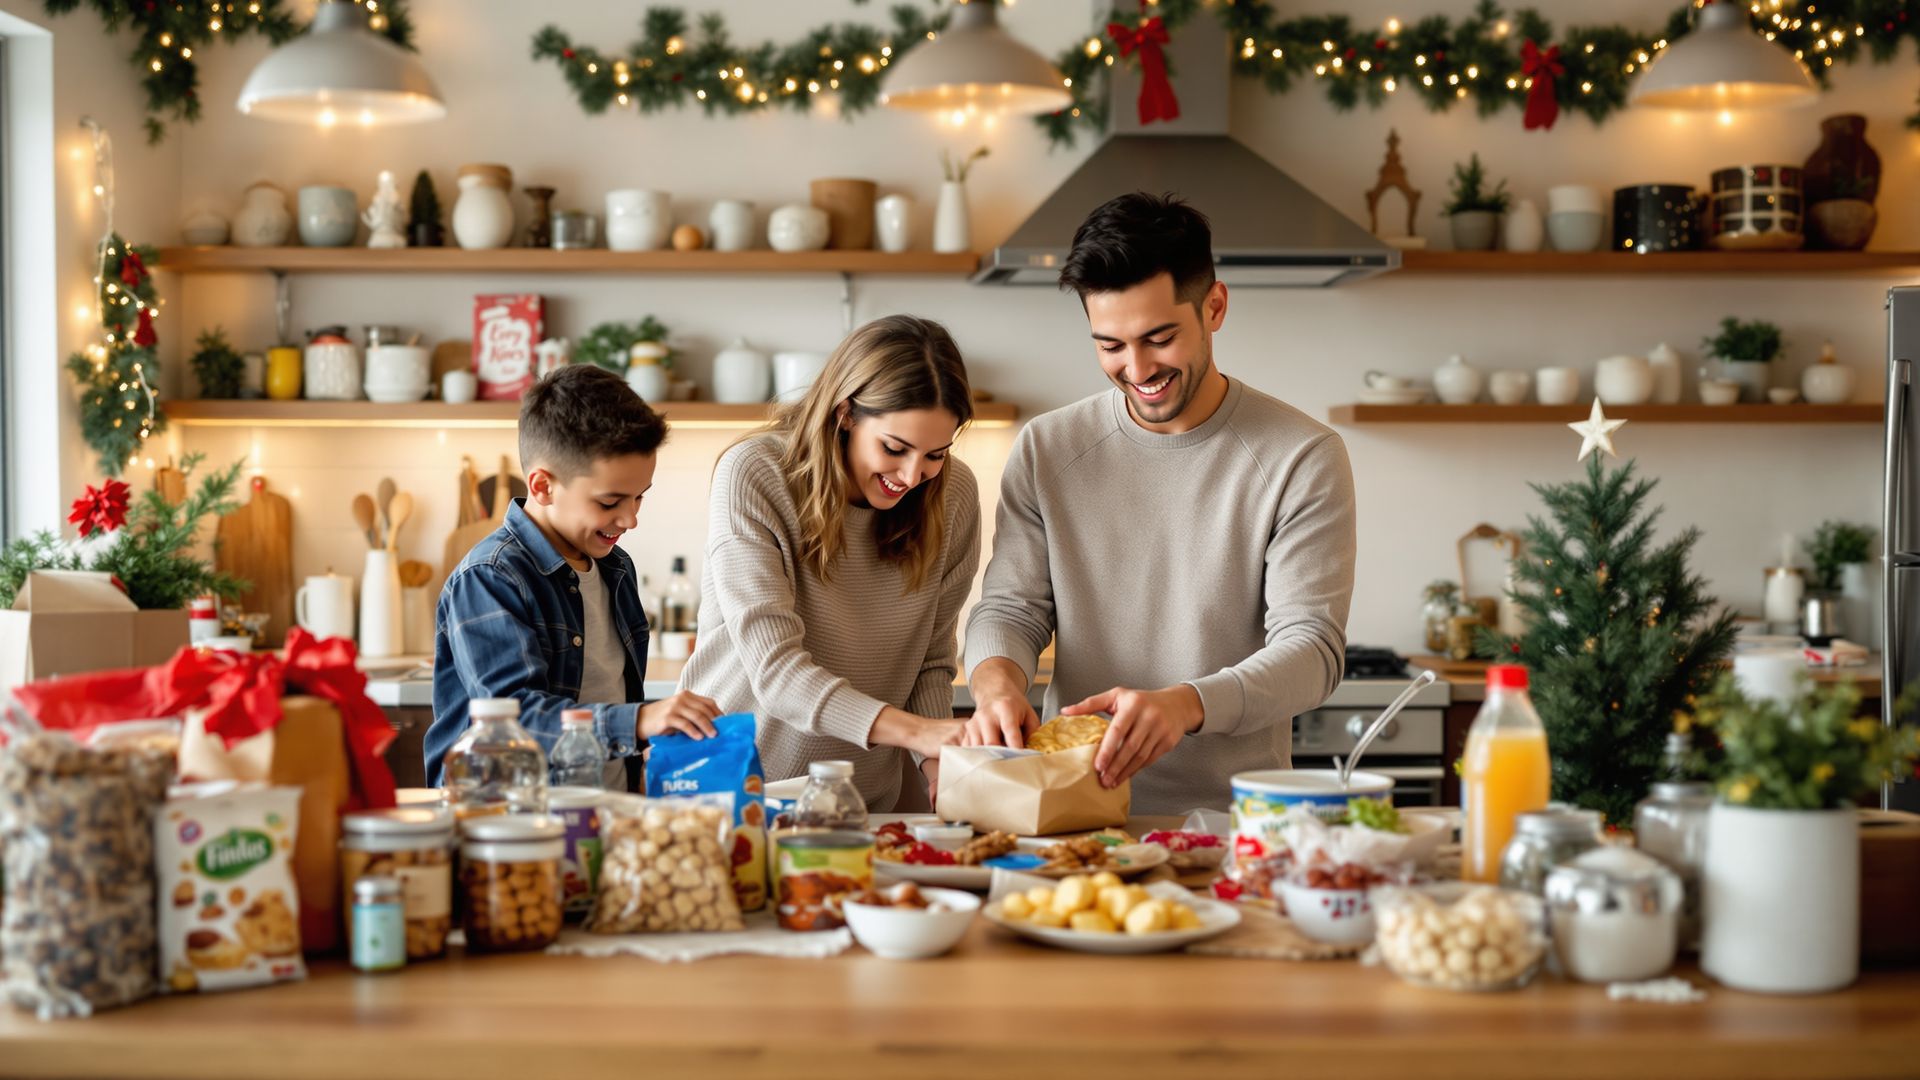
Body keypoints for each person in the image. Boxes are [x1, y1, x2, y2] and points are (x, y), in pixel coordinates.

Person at [962, 192, 1357, 814]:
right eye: (1110, 346)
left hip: (1233, 820)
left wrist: (1187, 704)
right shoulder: (1047, 447)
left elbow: (1312, 651)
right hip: (1071, 809)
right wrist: (996, 681)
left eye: (1159, 338)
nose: (1137, 367)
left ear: (1215, 307)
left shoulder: (1300, 455)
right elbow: (1011, 607)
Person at [680, 314, 980, 811]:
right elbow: (776, 672)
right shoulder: (755, 473)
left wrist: (937, 760)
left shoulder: (954, 494)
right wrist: (919, 733)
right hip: (733, 793)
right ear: (845, 413)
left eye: (936, 453)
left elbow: (930, 660)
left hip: (856, 802)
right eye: (895, 448)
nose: (912, 475)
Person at [426, 364, 720, 786]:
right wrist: (638, 721)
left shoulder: (616, 569)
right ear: (543, 486)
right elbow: (514, 721)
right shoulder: (490, 577)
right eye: (610, 501)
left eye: (639, 497)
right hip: (511, 824)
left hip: (602, 814)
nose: (630, 519)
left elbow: (611, 695)